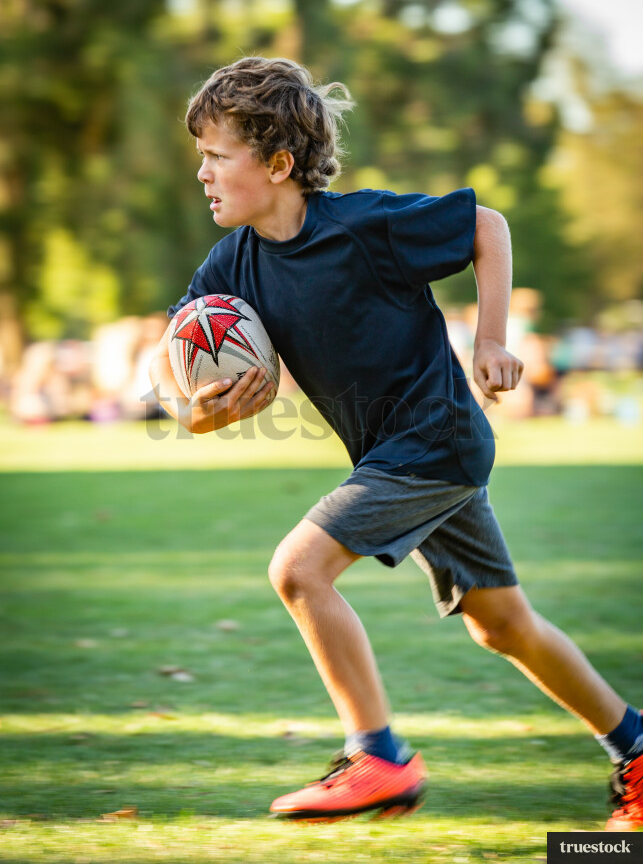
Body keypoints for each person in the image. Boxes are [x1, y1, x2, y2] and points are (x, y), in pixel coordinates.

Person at [149, 56, 642, 828]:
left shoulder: (363, 228)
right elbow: (179, 373)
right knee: (500, 624)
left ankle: (376, 755)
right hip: (399, 455)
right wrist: (198, 414)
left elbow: (485, 227)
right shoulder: (231, 264)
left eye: (217, 156)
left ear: (278, 164)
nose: (202, 173)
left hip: (433, 440)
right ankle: (635, 748)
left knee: (298, 569)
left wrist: (489, 339)